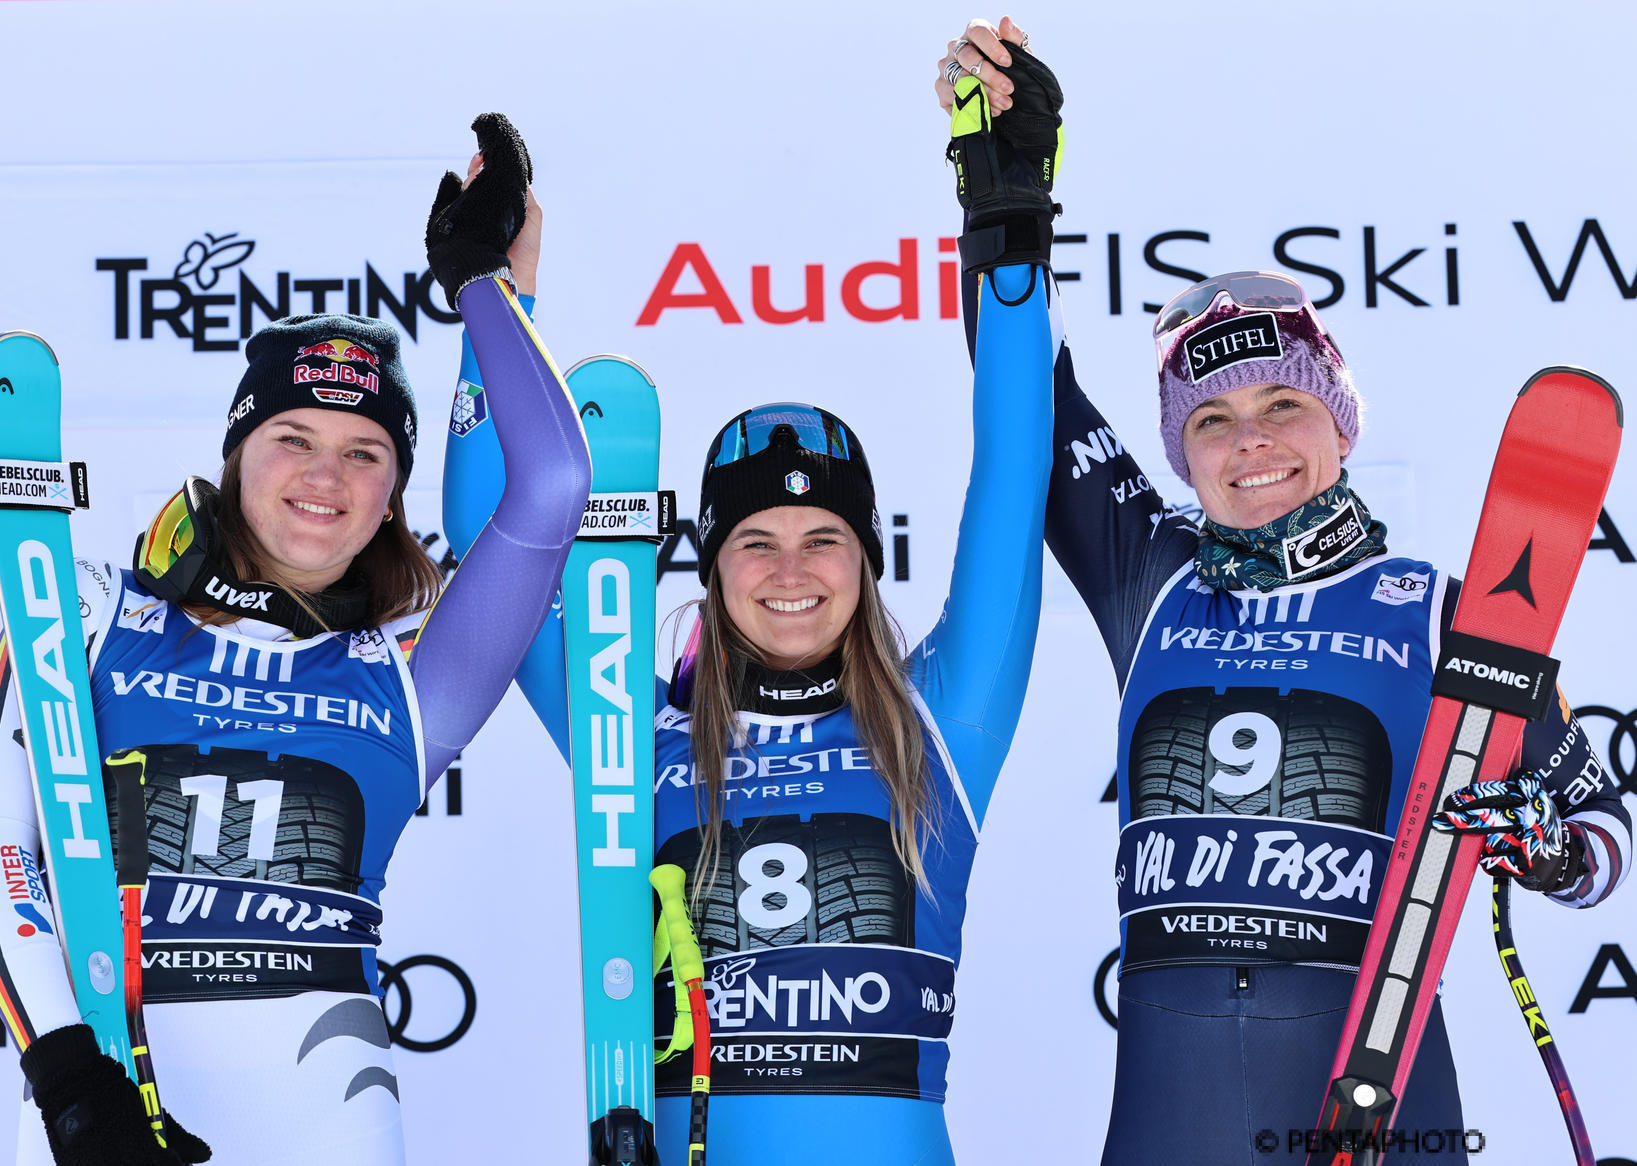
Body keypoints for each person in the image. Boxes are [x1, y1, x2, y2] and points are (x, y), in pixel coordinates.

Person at [939, 20, 1632, 1164]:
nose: (1248, 443)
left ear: (1340, 423)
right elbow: (1029, 399)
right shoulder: (1149, 576)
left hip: (1381, 1097)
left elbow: (1604, 839)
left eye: (1283, 407)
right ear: (1180, 451)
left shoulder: (1443, 612)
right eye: (1209, 420)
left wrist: (1544, 843)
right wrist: (1003, 207)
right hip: (1170, 1113)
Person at [0, 115, 591, 1166]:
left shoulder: (418, 671)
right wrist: (65, 1074)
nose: (324, 476)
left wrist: (487, 286)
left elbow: (553, 482)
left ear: (393, 495)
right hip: (98, 1109)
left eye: (364, 452)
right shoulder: (86, 606)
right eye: (291, 437)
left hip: (325, 1116)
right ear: (238, 454)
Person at [481, 66, 1065, 1166]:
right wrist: (491, 299)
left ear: (865, 558)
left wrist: (1009, 223)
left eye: (822, 539)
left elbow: (1014, 465)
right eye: (754, 540)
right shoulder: (626, 728)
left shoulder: (943, 722)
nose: (788, 568)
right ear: (709, 567)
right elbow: (490, 542)